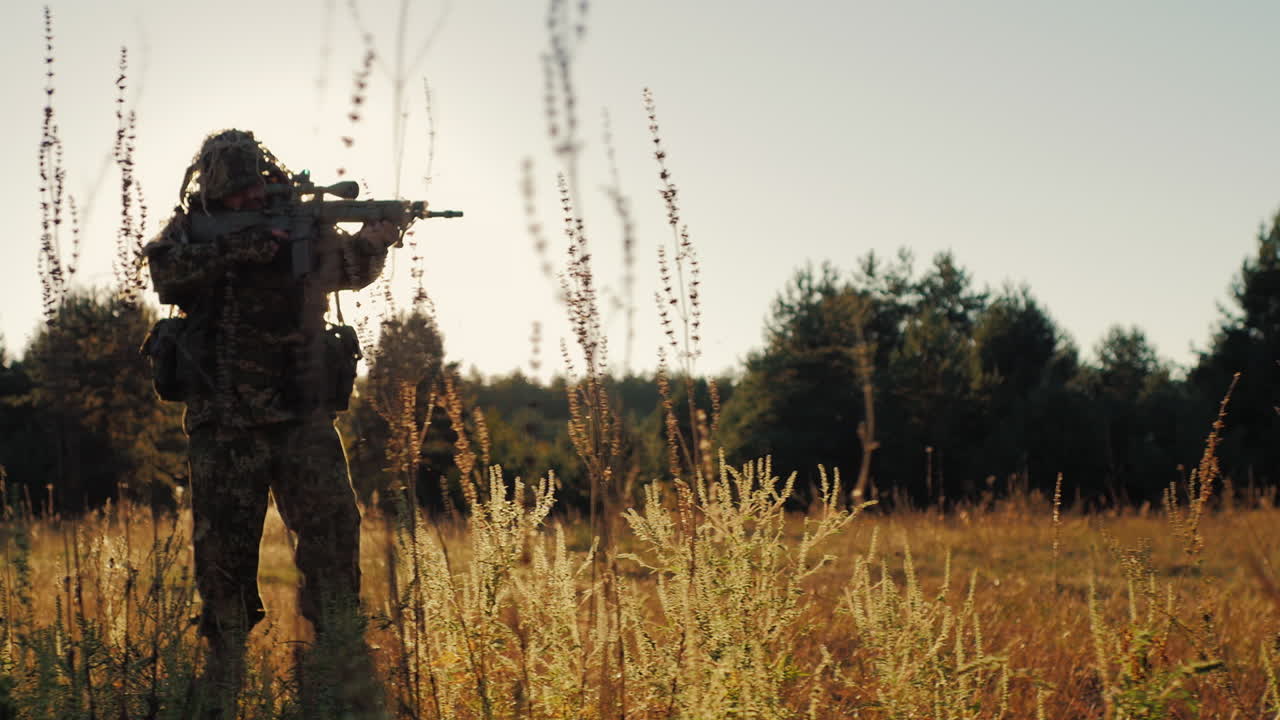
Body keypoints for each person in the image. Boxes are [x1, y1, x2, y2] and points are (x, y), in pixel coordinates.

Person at [143, 129, 397, 716]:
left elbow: (349, 271)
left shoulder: (300, 221)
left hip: (301, 415)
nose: (245, 201)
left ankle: (335, 657)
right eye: (233, 194)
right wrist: (246, 246)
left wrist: (376, 241)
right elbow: (166, 276)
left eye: (252, 189)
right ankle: (224, 668)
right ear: (213, 191)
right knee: (223, 552)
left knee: (332, 533)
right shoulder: (190, 230)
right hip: (223, 419)